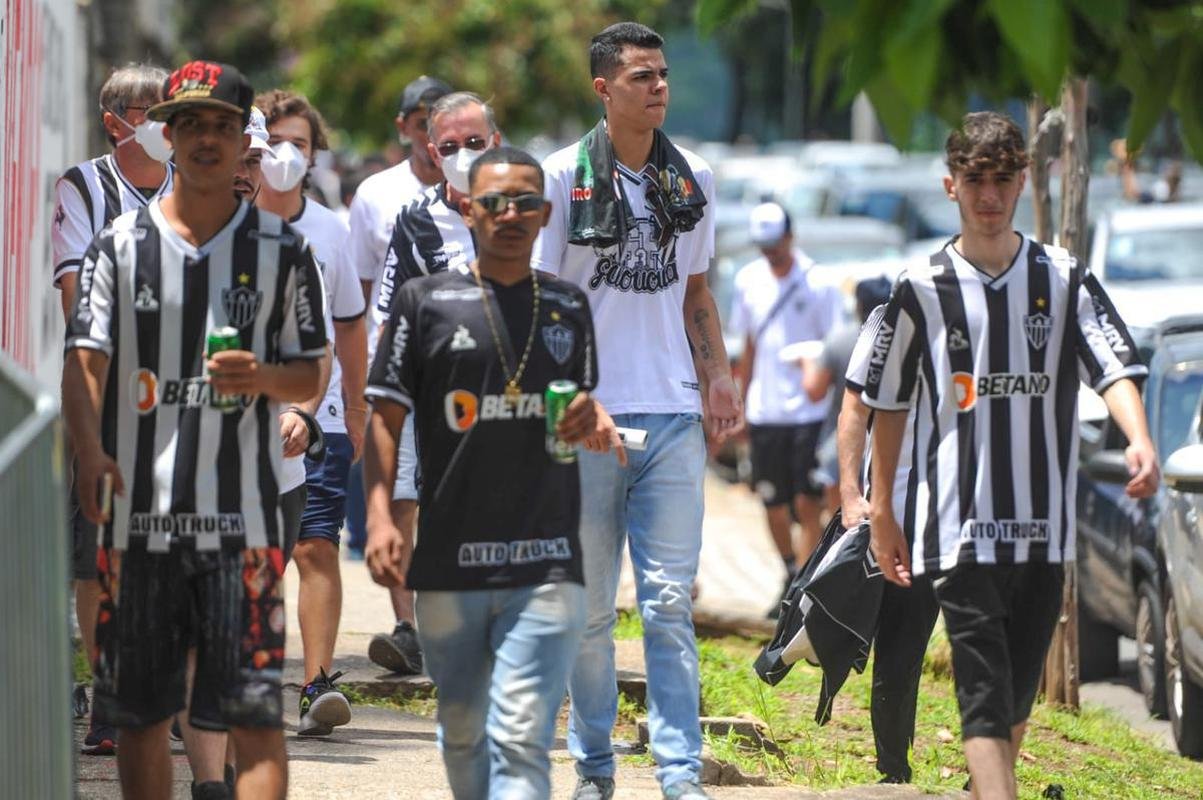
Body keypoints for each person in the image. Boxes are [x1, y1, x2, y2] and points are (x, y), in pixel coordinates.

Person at [862, 111, 1159, 799]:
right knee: (983, 693)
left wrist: (1138, 437)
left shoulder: (1060, 278)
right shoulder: (920, 286)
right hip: (958, 532)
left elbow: (1112, 367)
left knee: (1015, 701)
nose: (988, 196)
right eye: (974, 181)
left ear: (1024, 181)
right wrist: (879, 507)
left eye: (1000, 180)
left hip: (1042, 531)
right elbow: (885, 402)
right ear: (949, 186)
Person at [61, 60, 327, 800]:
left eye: (221, 124)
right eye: (188, 125)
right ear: (166, 136)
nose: (205, 139)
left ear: (245, 138)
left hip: (242, 526)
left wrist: (265, 381)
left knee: (253, 716)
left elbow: (312, 375)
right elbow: (83, 362)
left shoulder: (283, 251)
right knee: (141, 716)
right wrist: (89, 453)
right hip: (139, 524)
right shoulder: (117, 243)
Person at [363, 145, 623, 799]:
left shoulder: (567, 305)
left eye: (525, 202)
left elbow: (580, 404)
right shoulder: (424, 303)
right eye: (494, 202)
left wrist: (590, 416)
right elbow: (384, 418)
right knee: (463, 733)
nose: (510, 214)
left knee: (520, 737)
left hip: (545, 561)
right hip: (450, 566)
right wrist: (378, 517)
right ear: (467, 208)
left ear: (544, 215)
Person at [532, 22, 743, 800]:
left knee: (665, 606)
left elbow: (694, 292)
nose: (657, 87)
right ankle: (593, 766)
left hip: (673, 417)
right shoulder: (558, 178)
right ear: (602, 89)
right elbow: (540, 304)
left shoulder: (696, 177)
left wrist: (716, 376)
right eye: (640, 77)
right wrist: (565, 402)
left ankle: (678, 773)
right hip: (587, 424)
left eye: (662, 76)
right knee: (588, 615)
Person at [51, 62, 172, 756]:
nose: (163, 124)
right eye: (150, 111)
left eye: (170, 110)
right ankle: (108, 693)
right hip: (107, 393)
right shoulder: (86, 187)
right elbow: (77, 298)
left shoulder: (193, 186)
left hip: (180, 400)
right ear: (116, 120)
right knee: (98, 555)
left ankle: (166, 694)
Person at [365, 90, 502, 675]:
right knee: (415, 501)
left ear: (495, 140)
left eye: (475, 142)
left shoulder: (526, 205)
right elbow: (390, 310)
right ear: (430, 150)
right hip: (435, 397)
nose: (464, 154)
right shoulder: (417, 220)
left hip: (509, 397)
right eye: (450, 147)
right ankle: (416, 626)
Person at [254, 88, 368, 737]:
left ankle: (317, 681)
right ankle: (248, 680)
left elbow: (347, 327)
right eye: (275, 141)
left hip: (315, 420)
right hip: (239, 420)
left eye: (300, 143)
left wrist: (350, 409)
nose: (287, 155)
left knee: (315, 546)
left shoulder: (330, 229)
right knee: (256, 557)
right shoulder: (225, 223)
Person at [339, 75, 451, 667]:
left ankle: (446, 621)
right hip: (396, 371)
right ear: (404, 126)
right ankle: (406, 625)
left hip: (464, 375)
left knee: (454, 499)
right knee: (400, 497)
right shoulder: (377, 195)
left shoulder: (485, 193)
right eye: (420, 119)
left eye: (442, 121)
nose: (431, 133)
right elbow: (357, 291)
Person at [828, 290, 940, 785]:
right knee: (901, 640)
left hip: (975, 508)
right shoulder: (888, 319)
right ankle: (893, 770)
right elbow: (855, 409)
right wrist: (853, 496)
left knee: (992, 638)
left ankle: (988, 770)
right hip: (903, 510)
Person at [730, 201, 844, 617]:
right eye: (763, 247)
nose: (770, 253)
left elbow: (834, 347)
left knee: (806, 501)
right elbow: (749, 346)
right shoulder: (748, 281)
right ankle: (790, 568)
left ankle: (803, 587)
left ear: (791, 238)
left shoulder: (819, 282)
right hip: (765, 410)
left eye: (776, 245)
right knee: (771, 502)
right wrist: (739, 401)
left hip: (808, 413)